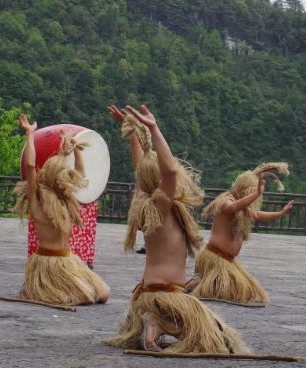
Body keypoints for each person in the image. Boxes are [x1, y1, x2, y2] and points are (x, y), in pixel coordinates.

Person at [104, 104, 249, 354]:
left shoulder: (146, 201)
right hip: (166, 294)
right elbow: (169, 169)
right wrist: (153, 127)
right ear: (160, 180)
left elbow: (141, 168)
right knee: (218, 338)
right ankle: (157, 323)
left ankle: (158, 323)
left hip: (154, 292)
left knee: (209, 332)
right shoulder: (161, 204)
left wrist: (132, 133)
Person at [13, 115, 110, 306]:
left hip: (68, 261)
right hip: (47, 263)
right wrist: (30, 134)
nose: (68, 178)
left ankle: (50, 289)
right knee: (79, 297)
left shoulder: (67, 198)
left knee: (103, 294)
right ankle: (42, 288)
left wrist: (75, 147)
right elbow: (31, 165)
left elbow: (81, 174)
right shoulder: (37, 198)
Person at [187, 163, 294, 304]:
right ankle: (198, 282)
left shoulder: (243, 208)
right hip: (215, 257)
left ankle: (201, 280)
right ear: (243, 189)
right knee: (231, 292)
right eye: (251, 193)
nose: (253, 199)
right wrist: (257, 193)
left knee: (247, 292)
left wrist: (280, 213)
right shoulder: (226, 201)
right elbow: (232, 208)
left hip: (227, 260)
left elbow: (257, 214)